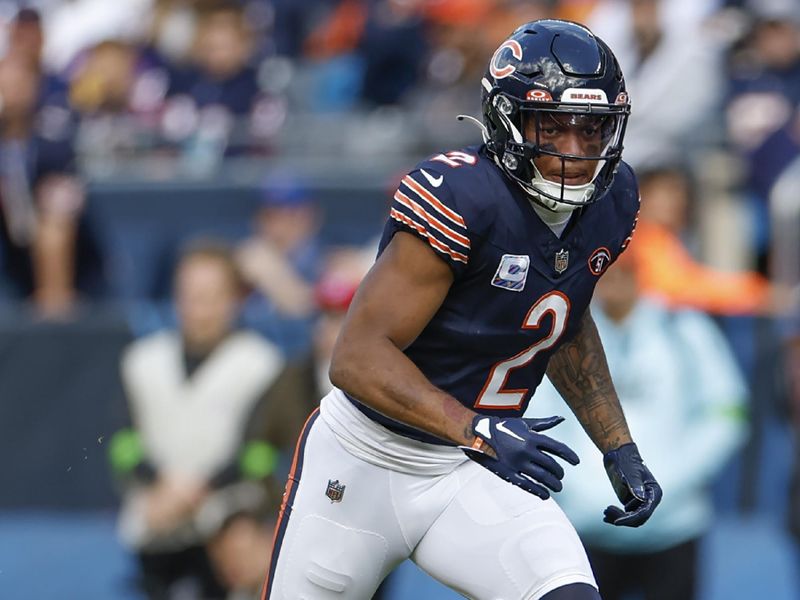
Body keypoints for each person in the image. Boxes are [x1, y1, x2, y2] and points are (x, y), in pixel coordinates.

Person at [263, 20, 663, 600]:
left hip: (470, 470)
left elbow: (561, 323)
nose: (575, 152)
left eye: (592, 130)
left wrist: (619, 445)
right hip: (363, 462)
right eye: (553, 126)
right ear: (508, 121)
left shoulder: (612, 199)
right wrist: (475, 428)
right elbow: (355, 356)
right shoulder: (464, 196)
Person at [527, 247, 748, 600]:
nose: (614, 281)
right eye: (604, 274)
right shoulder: (564, 332)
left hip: (674, 525)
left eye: (624, 272)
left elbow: (727, 413)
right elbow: (537, 417)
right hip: (584, 524)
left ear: (640, 276)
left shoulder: (682, 327)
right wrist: (576, 492)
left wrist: (673, 481)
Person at [109, 240, 284, 599]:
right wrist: (158, 483)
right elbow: (121, 443)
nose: (198, 308)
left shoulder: (263, 364)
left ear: (234, 299)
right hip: (157, 522)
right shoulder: (141, 361)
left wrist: (197, 489)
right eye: (189, 295)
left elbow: (261, 452)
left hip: (226, 526)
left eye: (210, 296)